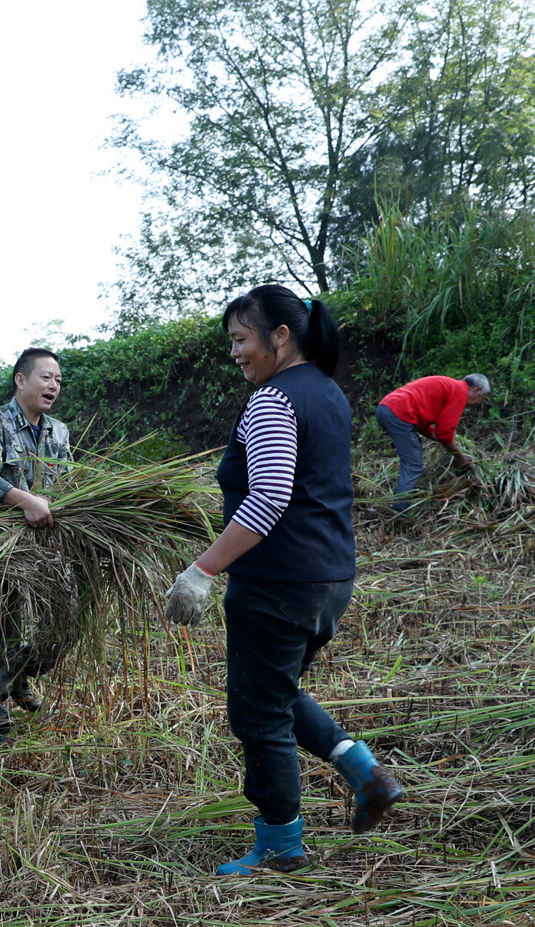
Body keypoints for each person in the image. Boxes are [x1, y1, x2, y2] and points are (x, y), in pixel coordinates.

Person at [164, 285, 404, 874]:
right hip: (328, 578)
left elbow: (268, 497)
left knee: (257, 713)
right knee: (275, 692)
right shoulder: (328, 393)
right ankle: (363, 770)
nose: (236, 353)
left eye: (242, 340)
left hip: (278, 584)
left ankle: (279, 844)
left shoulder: (273, 400)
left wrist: (201, 569)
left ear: (280, 335)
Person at [0, 347, 72, 737]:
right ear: (21, 380)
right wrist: (24, 500)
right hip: (0, 544)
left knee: (66, 624)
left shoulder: (58, 431)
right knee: (1, 630)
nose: (54, 385)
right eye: (46, 377)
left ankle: (20, 676)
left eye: (58, 379)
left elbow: (68, 485)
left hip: (47, 543)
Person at [376, 373, 490, 514]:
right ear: (477, 390)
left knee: (411, 457)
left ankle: (402, 502)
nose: (479, 403)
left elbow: (424, 425)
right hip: (399, 413)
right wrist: (459, 456)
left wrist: (446, 440)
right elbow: (445, 433)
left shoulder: (450, 386)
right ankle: (399, 512)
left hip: (385, 408)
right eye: (481, 399)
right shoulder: (460, 393)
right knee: (413, 465)